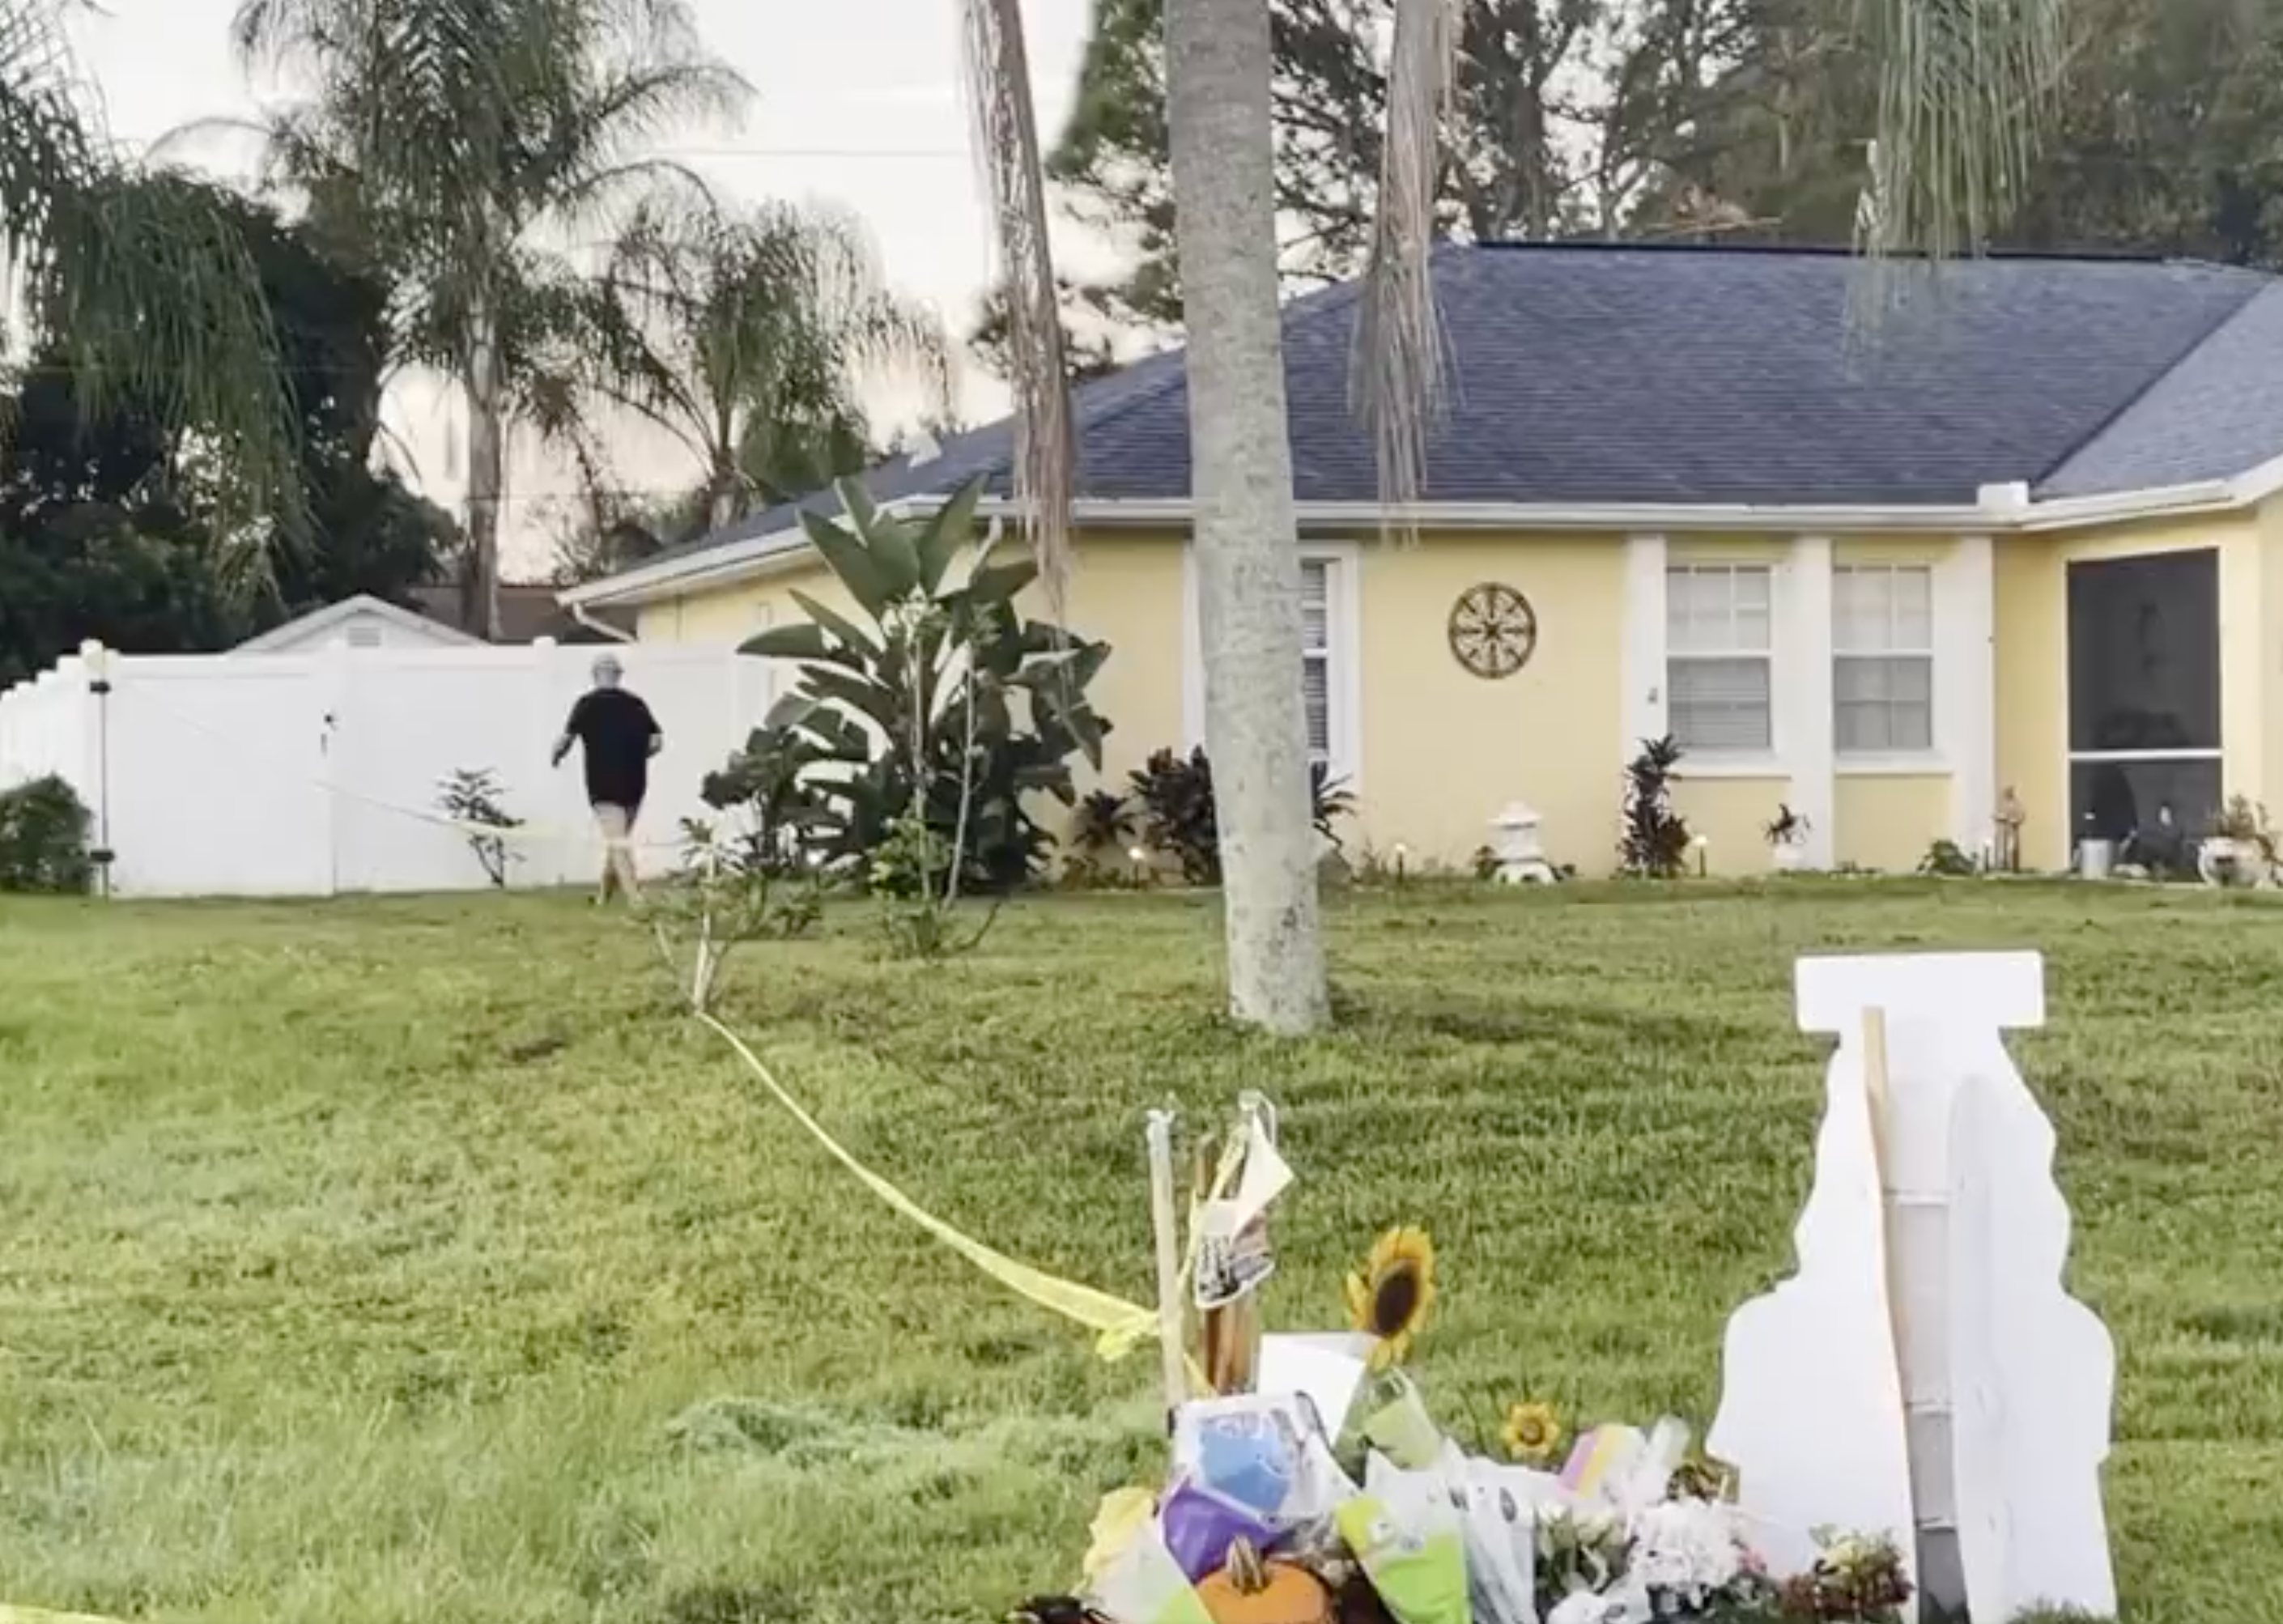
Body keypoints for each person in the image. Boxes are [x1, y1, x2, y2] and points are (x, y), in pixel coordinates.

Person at [551, 653, 662, 904]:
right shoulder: (637, 704)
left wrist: (556, 756)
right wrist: (636, 756)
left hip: (602, 784)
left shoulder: (586, 704)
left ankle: (635, 900)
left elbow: (565, 740)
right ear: (619, 675)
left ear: (595, 675)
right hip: (635, 782)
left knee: (618, 842)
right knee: (619, 840)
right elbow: (656, 742)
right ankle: (603, 896)